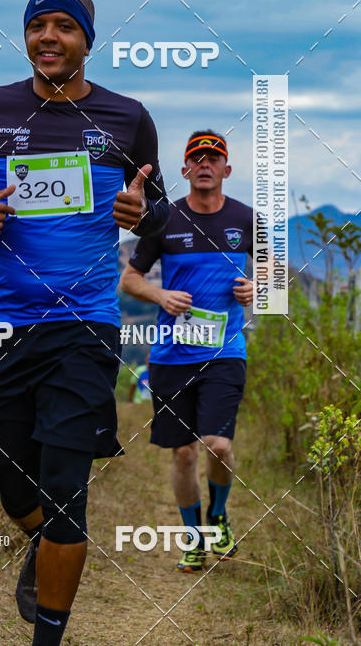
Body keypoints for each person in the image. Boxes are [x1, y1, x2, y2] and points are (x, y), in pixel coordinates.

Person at [0, 0, 169, 644]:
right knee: (17, 489)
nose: (49, 37)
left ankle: (49, 635)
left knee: (66, 490)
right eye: (39, 26)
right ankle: (41, 542)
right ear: (28, 36)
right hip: (4, 321)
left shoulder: (127, 118)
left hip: (85, 326)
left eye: (65, 27)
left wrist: (141, 214)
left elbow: (162, 209)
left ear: (86, 42)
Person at [119, 131, 253, 573]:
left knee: (217, 444)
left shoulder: (248, 220)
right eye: (197, 159)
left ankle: (217, 515)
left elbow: (274, 280)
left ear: (226, 170)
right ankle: (194, 538)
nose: (205, 165)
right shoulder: (165, 220)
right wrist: (161, 297)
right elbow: (130, 279)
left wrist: (259, 290)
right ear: (185, 170)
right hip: (171, 356)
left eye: (214, 159)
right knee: (183, 453)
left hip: (225, 351)